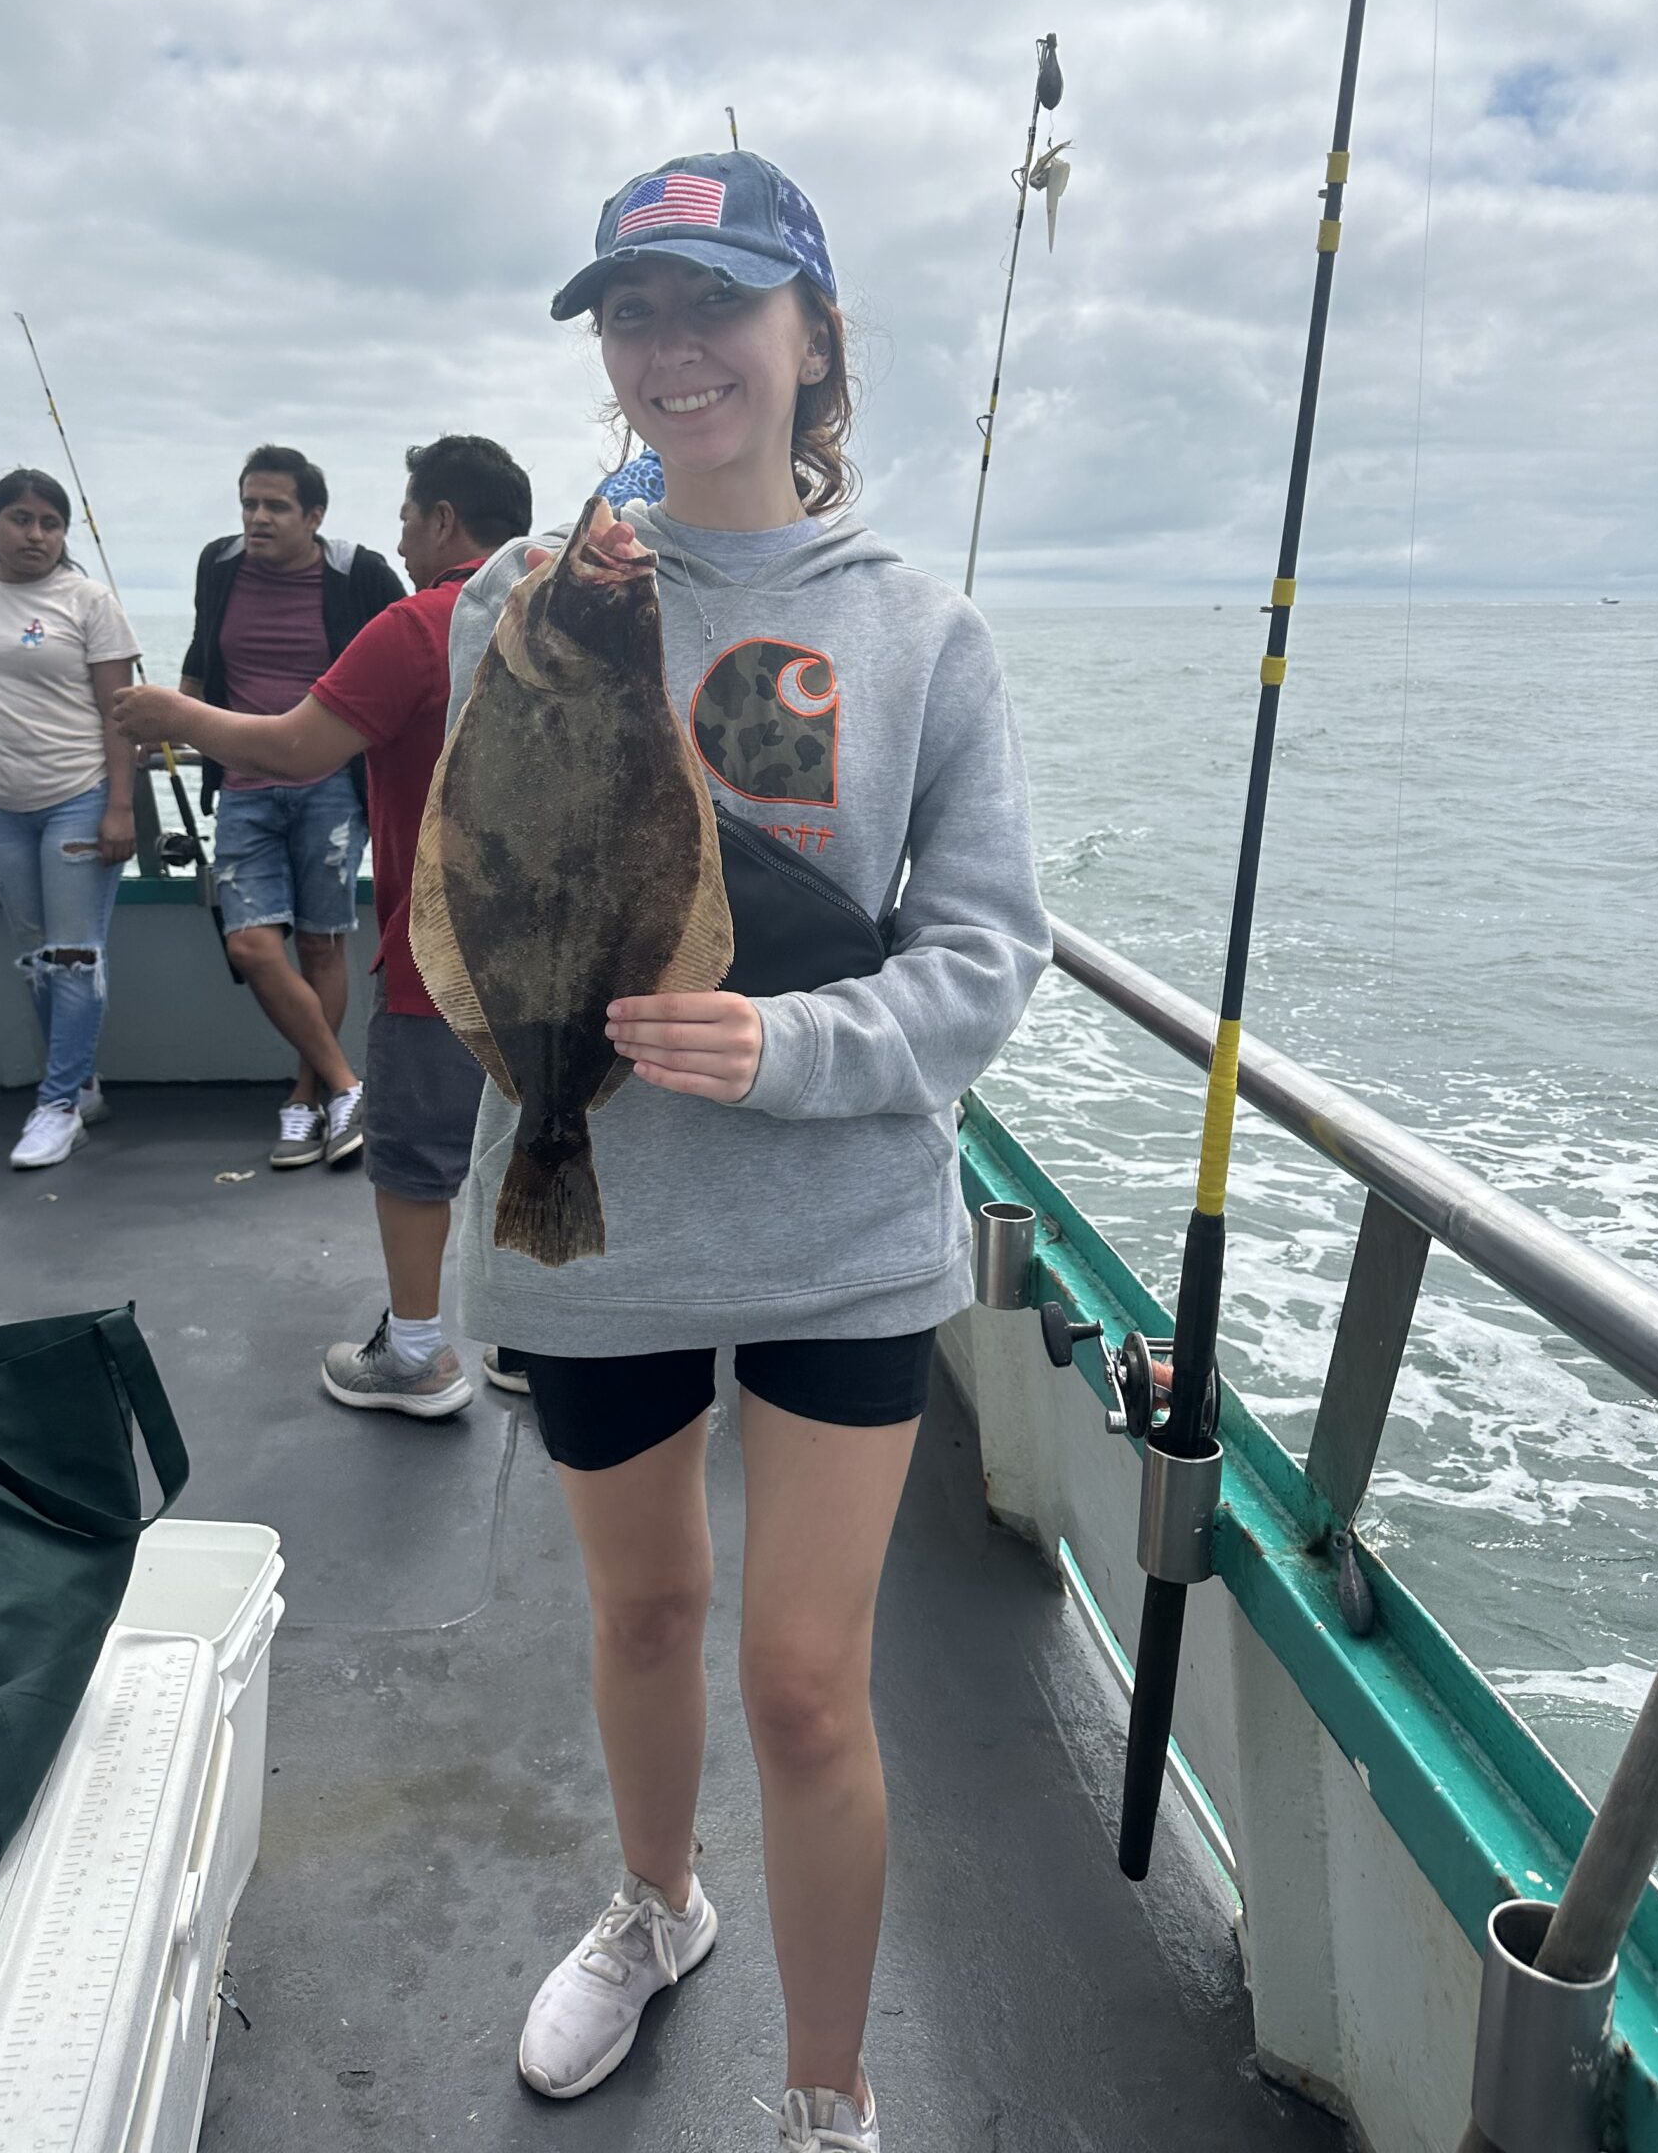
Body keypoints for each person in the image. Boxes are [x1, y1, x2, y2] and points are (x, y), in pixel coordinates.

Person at [440, 153, 1051, 2151]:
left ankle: (828, 2089)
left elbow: (982, 957)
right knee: (639, 1615)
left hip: (835, 1230)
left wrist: (790, 1043)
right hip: (584, 1211)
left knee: (802, 1682)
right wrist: (543, 616)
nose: (671, 348)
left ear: (814, 337)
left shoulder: (921, 630)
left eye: (715, 302)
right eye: (631, 312)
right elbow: (484, 865)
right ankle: (656, 1899)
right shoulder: (516, 608)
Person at [117, 435, 533, 1414]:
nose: (398, 535)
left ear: (441, 520)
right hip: (569, 964)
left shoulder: (422, 622)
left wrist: (174, 713)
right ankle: (536, 1342)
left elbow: (299, 748)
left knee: (415, 1158)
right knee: (536, 1145)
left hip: (446, 959)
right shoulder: (577, 615)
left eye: (404, 517)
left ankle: (419, 1356)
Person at [180, 446, 403, 1169]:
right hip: (242, 786)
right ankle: (345, 1082)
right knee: (249, 944)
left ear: (314, 516)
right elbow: (199, 658)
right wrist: (175, 719)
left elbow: (402, 660)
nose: (257, 518)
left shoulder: (356, 574)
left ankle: (308, 1096)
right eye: (249, 503)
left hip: (329, 787)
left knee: (319, 943)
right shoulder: (218, 567)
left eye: (276, 506)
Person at [0, 468, 141, 1169]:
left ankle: (56, 1107)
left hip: (78, 795)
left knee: (73, 957)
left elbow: (123, 716)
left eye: (51, 523)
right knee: (37, 959)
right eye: (21, 519)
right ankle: (79, 1083)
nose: (36, 535)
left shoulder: (89, 601)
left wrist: (118, 806)